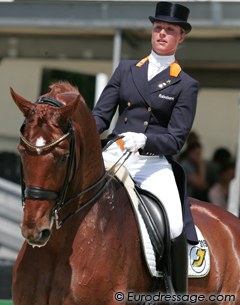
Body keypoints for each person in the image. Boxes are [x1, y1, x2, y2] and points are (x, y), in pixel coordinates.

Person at [92, 1, 199, 294]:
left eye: (170, 30)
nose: (162, 34)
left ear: (181, 37)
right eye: (158, 28)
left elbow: (177, 139)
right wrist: (82, 133)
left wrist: (146, 140)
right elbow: (100, 116)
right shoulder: (126, 69)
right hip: (114, 155)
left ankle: (175, 291)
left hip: (152, 164)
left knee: (175, 225)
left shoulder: (185, 84)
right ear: (152, 31)